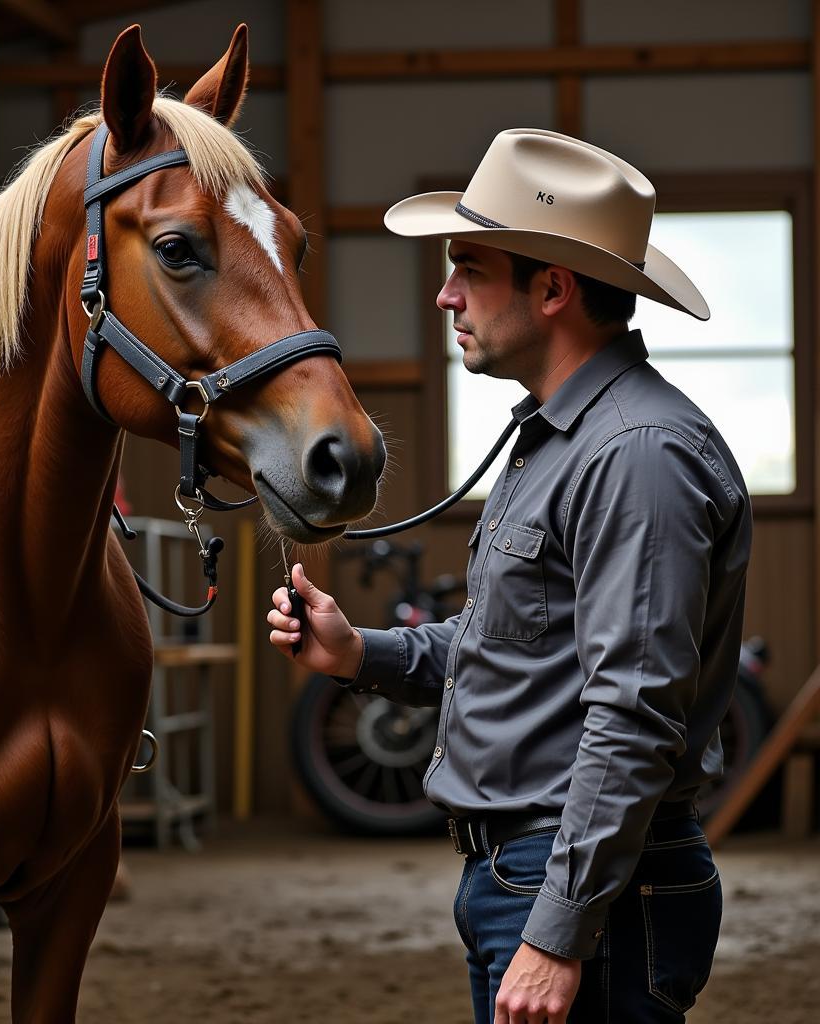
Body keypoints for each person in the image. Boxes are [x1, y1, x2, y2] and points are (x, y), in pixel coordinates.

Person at [267, 128, 752, 1024]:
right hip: (531, 877)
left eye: (468, 268)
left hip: (585, 892)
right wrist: (358, 654)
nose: (445, 294)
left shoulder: (636, 455)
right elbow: (514, 648)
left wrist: (557, 933)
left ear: (554, 287)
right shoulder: (565, 440)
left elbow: (636, 716)